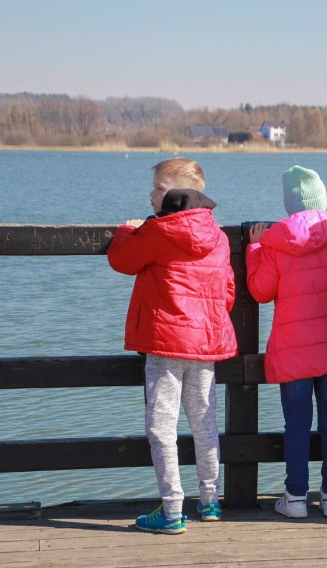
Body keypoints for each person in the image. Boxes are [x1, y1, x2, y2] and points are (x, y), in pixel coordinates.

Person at [107, 157, 238, 534]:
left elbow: (122, 259)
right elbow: (227, 291)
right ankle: (210, 501)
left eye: (157, 188)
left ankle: (171, 510)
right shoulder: (218, 236)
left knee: (161, 425)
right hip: (205, 342)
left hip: (165, 342)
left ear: (173, 194)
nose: (151, 194)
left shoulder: (159, 230)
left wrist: (123, 230)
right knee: (205, 422)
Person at [246, 166, 327, 519]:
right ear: (323, 198)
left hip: (293, 351)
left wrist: (255, 247)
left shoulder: (274, 241)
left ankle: (296, 497)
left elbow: (259, 291)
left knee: (296, 425)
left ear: (289, 204)